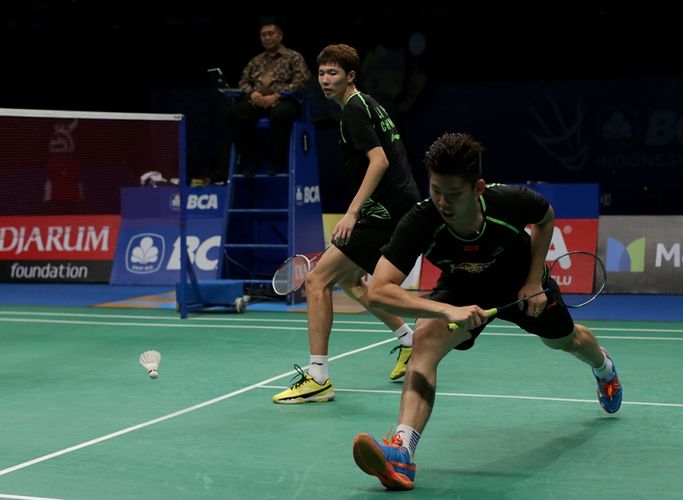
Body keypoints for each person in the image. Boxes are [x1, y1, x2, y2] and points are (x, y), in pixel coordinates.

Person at [351, 132, 623, 490]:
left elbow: (545, 217)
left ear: (477, 188)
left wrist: (533, 278)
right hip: (463, 287)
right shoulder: (421, 221)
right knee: (425, 343)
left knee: (566, 341)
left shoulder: (509, 202)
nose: (443, 202)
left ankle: (604, 368)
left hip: (518, 281)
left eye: (454, 194)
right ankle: (402, 450)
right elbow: (378, 291)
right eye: (435, 190)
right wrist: (446, 311)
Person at [272, 44, 422, 404]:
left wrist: (353, 212)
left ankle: (318, 377)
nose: (325, 80)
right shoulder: (369, 104)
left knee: (316, 281)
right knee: (353, 282)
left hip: (384, 211)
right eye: (321, 73)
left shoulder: (353, 111)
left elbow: (380, 161)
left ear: (350, 76)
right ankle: (409, 341)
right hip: (398, 207)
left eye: (333, 73)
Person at [228, 18, 310, 175]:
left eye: (270, 34)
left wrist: (278, 95)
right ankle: (251, 159)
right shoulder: (256, 60)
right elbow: (243, 81)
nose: (267, 37)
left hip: (284, 100)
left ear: (280, 35)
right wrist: (252, 93)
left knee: (280, 114)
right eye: (263, 35)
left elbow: (301, 81)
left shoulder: (294, 57)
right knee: (235, 114)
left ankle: (278, 162)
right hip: (257, 101)